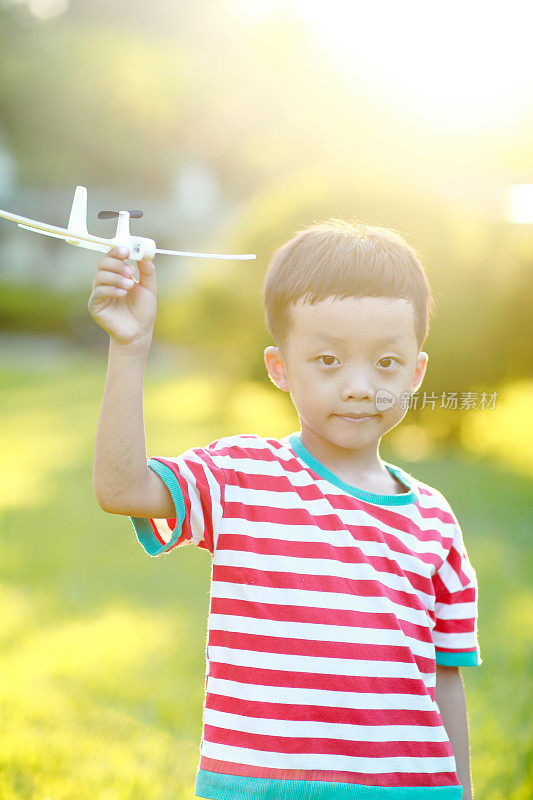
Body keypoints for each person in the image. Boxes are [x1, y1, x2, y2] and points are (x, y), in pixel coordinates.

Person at [88, 219, 482, 800]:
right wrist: (130, 346)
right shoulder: (243, 477)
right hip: (261, 787)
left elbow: (444, 675)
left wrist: (462, 790)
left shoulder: (434, 519)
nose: (357, 385)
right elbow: (121, 487)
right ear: (279, 367)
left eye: (387, 363)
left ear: (416, 373)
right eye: (327, 359)